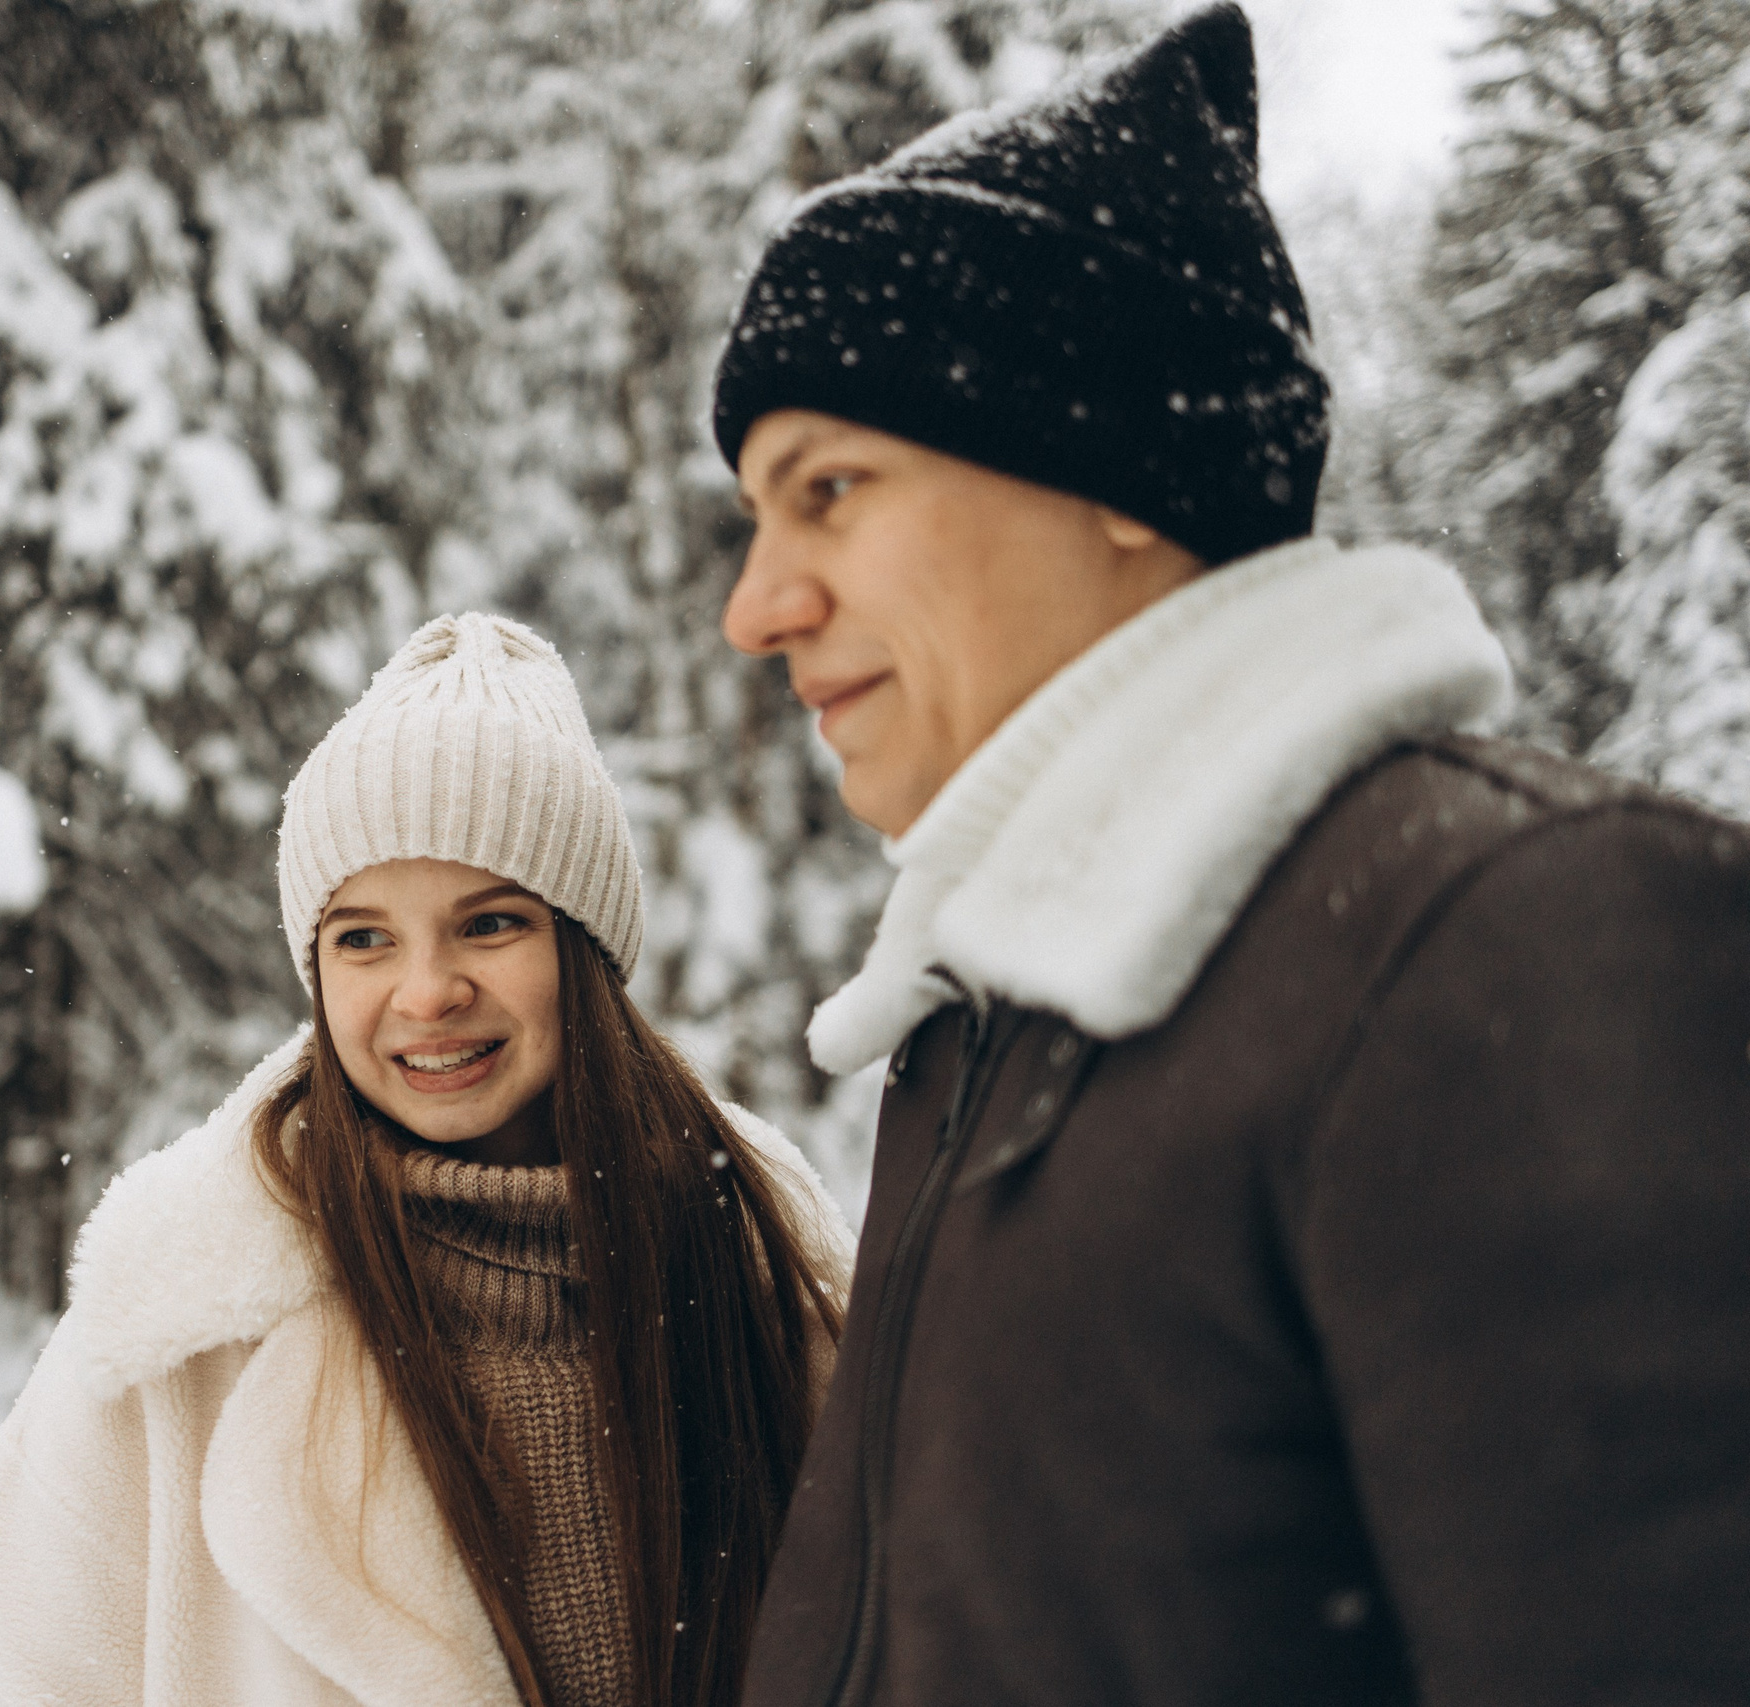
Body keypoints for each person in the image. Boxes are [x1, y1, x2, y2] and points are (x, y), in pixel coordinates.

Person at [708, 5, 1750, 1705]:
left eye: (828, 490)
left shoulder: (1507, 932)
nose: (757, 605)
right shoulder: (985, 1030)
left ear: (1112, 469)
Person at [0, 611, 854, 1707]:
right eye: (363, 938)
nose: (425, 992)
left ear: (585, 950)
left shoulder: (770, 1273)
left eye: (489, 925)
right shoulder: (165, 1339)